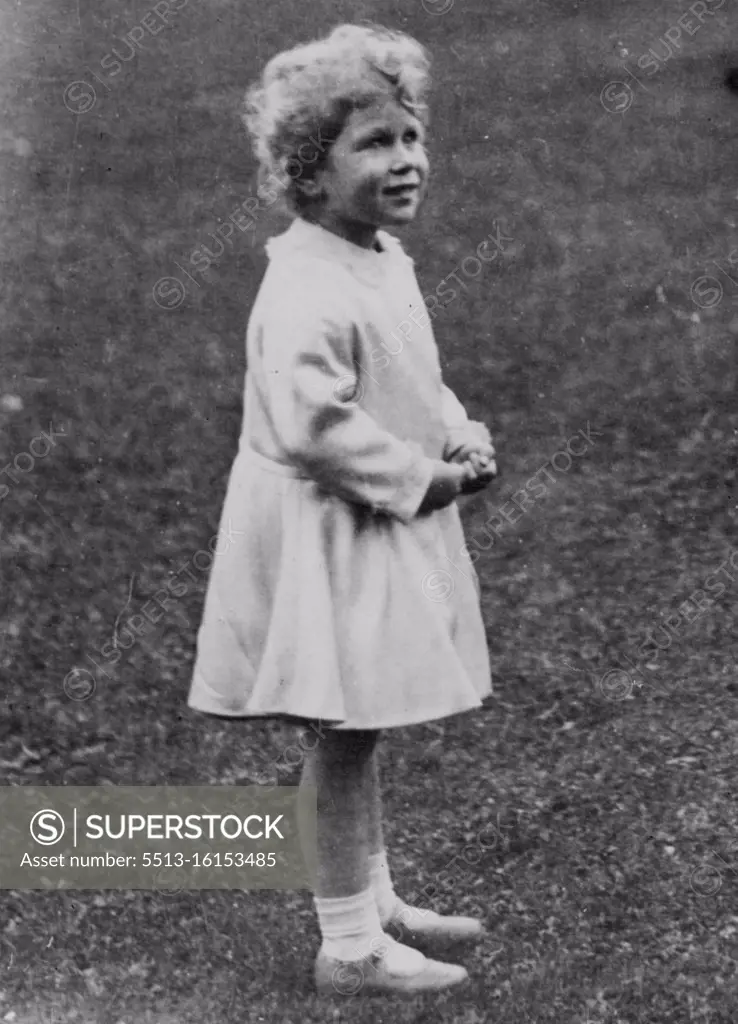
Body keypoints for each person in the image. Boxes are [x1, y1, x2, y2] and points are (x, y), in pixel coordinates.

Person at [187, 22, 498, 998]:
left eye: (411, 136)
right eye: (374, 143)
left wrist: (454, 428)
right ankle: (350, 943)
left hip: (368, 518)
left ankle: (374, 900)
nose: (405, 159)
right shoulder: (306, 289)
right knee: (344, 728)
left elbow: (410, 375)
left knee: (358, 727)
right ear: (307, 176)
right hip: (330, 527)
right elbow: (319, 427)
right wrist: (424, 478)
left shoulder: (378, 254)